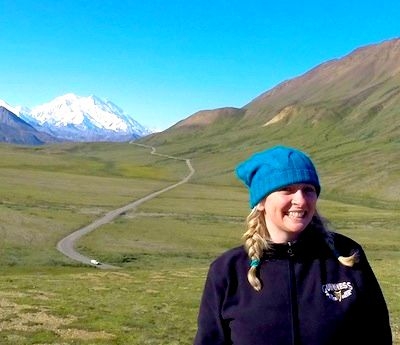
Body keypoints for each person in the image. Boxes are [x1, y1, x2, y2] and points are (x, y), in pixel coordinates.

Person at [193, 145, 392, 345]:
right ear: (261, 202)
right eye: (286, 189)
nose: (301, 200)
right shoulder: (227, 271)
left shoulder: (346, 255)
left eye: (308, 190)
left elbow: (377, 335)